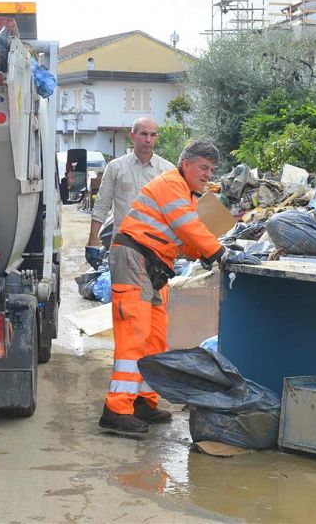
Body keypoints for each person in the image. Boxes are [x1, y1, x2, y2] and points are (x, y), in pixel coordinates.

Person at [98, 140, 228, 435]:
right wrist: (218, 252)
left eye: (211, 170)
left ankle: (144, 401)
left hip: (153, 266)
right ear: (187, 164)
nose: (208, 175)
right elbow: (186, 226)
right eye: (203, 168)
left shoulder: (185, 194)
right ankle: (116, 410)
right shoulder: (171, 185)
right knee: (134, 335)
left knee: (155, 338)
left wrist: (204, 253)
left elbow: (181, 240)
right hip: (135, 260)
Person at [84, 118, 173, 269]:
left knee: (153, 293)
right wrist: (93, 242)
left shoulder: (167, 171)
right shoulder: (116, 168)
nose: (148, 139)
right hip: (122, 248)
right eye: (143, 134)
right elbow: (101, 206)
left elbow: (174, 212)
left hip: (156, 250)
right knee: (123, 292)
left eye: (153, 135)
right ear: (132, 136)